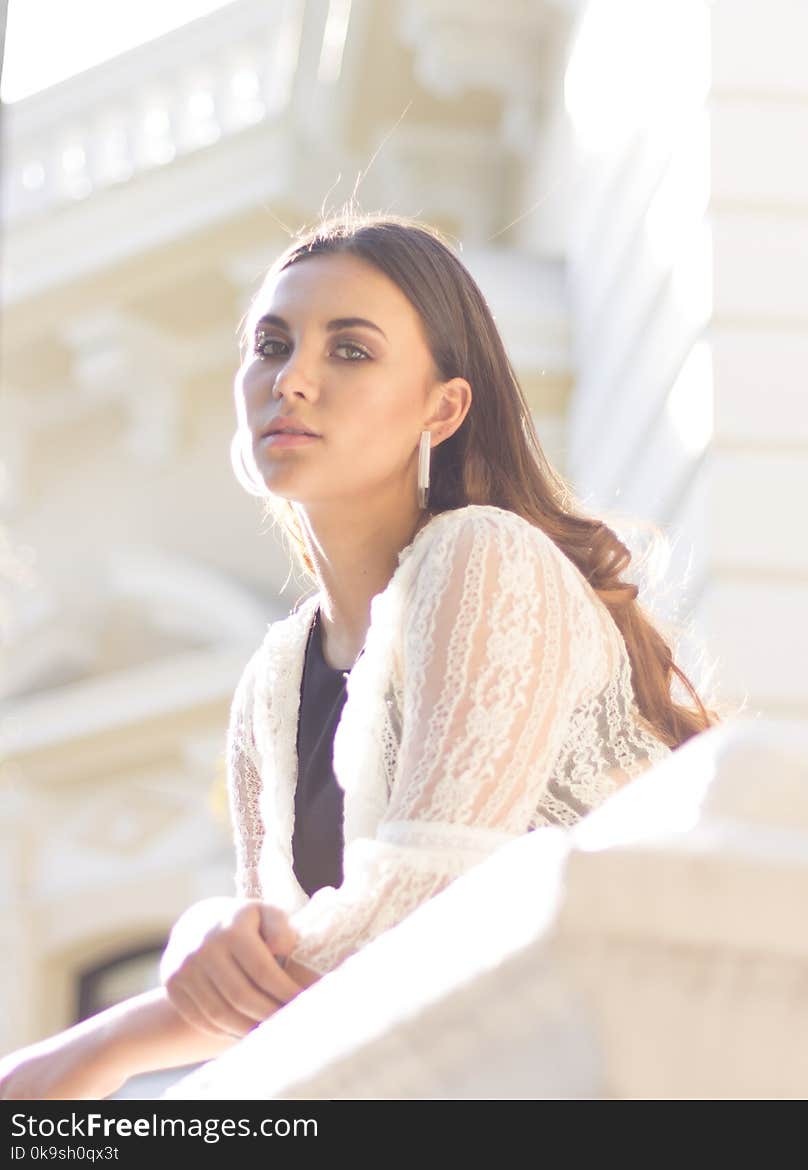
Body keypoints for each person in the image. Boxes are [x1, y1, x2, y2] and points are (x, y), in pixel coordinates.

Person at [0, 210, 722, 1099]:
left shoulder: (485, 556)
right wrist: (205, 938)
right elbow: (280, 993)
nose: (292, 379)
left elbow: (427, 906)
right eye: (270, 345)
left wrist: (78, 1055)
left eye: (349, 351)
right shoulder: (272, 682)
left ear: (443, 407)